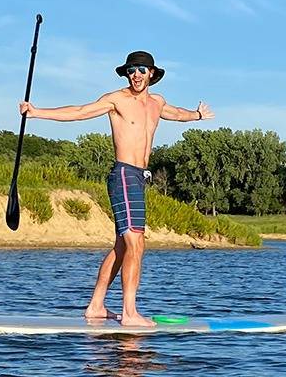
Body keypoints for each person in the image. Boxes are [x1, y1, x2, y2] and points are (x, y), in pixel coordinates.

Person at [19, 51, 213, 326]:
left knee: (123, 247)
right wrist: (36, 112)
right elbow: (79, 112)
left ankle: (96, 306)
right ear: (127, 74)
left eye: (142, 70)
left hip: (139, 177)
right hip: (123, 173)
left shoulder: (157, 103)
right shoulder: (116, 100)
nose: (136, 75)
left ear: (152, 74)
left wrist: (197, 115)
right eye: (132, 70)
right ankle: (130, 313)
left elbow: (177, 114)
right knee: (136, 241)